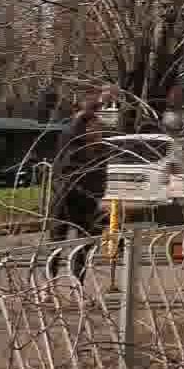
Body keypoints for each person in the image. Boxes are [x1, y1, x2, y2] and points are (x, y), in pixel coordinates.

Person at [46, 89, 114, 280]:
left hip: (87, 202)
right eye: (93, 126)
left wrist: (99, 199)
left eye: (99, 127)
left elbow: (102, 177)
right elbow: (74, 128)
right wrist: (95, 104)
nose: (98, 130)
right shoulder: (72, 144)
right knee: (56, 244)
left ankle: (78, 285)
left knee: (83, 246)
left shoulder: (101, 151)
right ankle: (49, 284)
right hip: (65, 199)